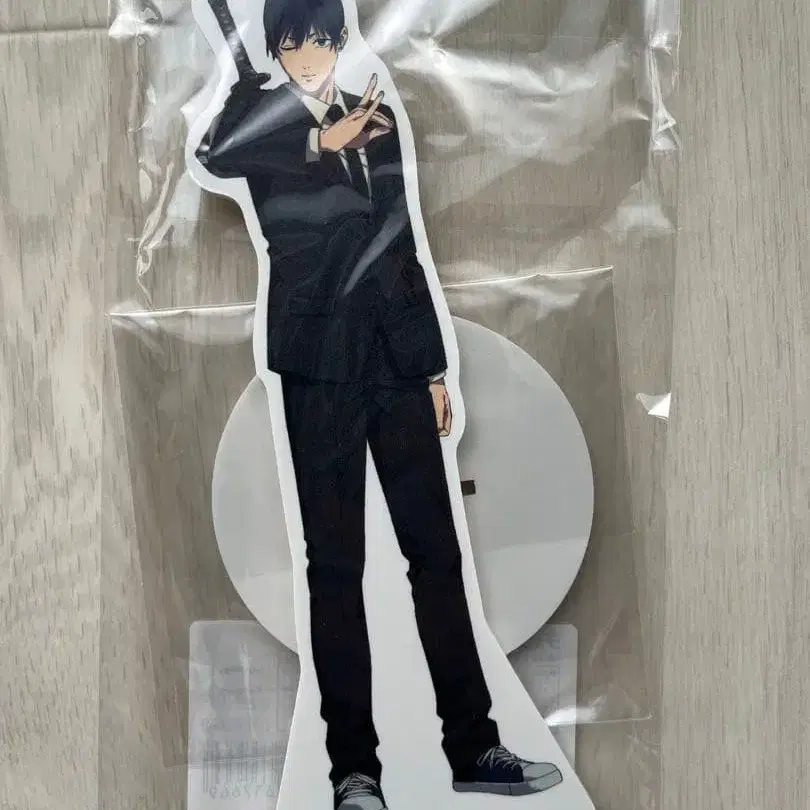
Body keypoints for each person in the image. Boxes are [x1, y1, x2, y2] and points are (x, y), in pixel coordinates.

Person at [197, 0, 563, 807]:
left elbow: (402, 243)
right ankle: (354, 774)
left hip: (396, 361)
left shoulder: (378, 115)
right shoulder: (256, 117)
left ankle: (475, 747)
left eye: (319, 40)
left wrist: (431, 368)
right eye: (291, 44)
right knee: (333, 568)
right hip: (317, 368)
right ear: (274, 51)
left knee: (439, 556)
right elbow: (213, 153)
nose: (308, 57)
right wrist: (313, 143)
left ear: (338, 40)